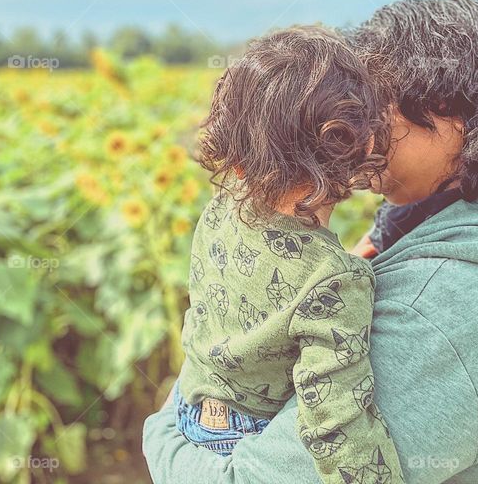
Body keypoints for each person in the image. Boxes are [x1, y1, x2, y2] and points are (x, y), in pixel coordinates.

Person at [143, 0, 478, 484]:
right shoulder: (463, 228)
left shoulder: (438, 313)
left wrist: (162, 432)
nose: (360, 133)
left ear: (452, 118)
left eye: (374, 108)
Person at [172, 25, 404, 484]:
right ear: (364, 145)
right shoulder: (333, 280)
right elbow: (336, 416)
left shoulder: (224, 205)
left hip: (191, 407)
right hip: (246, 434)